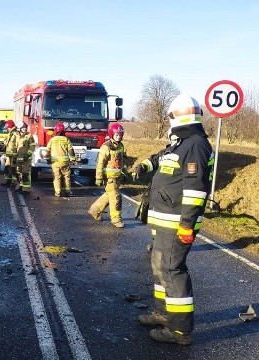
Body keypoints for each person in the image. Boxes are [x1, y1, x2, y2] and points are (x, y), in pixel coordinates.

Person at [136, 94, 214, 346]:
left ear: (177, 116)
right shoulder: (181, 143)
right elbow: (161, 158)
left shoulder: (195, 145)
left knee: (171, 270)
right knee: (159, 266)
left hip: (177, 222)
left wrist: (187, 225)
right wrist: (145, 165)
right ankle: (163, 313)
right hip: (164, 221)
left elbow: (195, 190)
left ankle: (180, 331)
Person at [88, 122, 127, 228]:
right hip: (109, 178)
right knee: (115, 197)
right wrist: (99, 177)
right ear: (112, 134)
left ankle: (94, 210)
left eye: (120, 135)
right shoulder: (106, 147)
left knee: (109, 195)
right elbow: (100, 163)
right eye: (116, 135)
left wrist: (124, 172)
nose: (118, 137)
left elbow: (121, 160)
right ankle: (116, 219)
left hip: (117, 177)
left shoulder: (120, 145)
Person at [46, 123, 76, 197]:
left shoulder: (52, 140)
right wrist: (73, 159)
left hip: (55, 163)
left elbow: (47, 151)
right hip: (64, 163)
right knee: (66, 176)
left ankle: (58, 192)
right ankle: (68, 191)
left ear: (56, 131)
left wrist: (48, 159)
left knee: (56, 177)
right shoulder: (66, 140)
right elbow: (71, 151)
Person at [12, 121, 35, 193]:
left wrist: (28, 154)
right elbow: (14, 147)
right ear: (19, 128)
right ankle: (21, 186)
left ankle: (26, 189)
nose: (25, 129)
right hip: (18, 159)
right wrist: (14, 157)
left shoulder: (29, 136)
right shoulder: (16, 136)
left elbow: (32, 146)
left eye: (25, 127)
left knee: (25, 174)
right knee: (19, 173)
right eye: (23, 128)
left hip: (26, 159)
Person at [0, 120, 18, 186]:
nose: (7, 129)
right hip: (8, 155)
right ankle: (7, 182)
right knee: (7, 169)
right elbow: (7, 142)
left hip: (13, 155)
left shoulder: (16, 134)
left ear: (9, 127)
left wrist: (16, 155)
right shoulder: (9, 134)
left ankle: (14, 182)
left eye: (7, 127)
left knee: (13, 170)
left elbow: (18, 144)